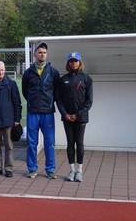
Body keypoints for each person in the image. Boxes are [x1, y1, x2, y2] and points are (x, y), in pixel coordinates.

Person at [22, 42, 60, 179]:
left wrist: (49, 102)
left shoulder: (53, 72)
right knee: (32, 142)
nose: (42, 54)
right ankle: (32, 169)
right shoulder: (28, 73)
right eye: (39, 52)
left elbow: (57, 91)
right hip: (33, 112)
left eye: (44, 52)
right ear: (34, 54)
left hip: (48, 112)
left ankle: (50, 170)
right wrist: (33, 101)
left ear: (47, 54)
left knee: (49, 142)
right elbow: (25, 91)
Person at [57, 52, 93, 182]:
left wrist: (77, 114)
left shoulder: (86, 79)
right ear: (68, 63)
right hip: (67, 118)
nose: (73, 63)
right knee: (70, 143)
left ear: (80, 62)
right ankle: (71, 170)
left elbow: (89, 101)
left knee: (80, 143)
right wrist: (65, 114)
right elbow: (59, 100)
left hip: (81, 118)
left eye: (76, 61)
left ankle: (79, 171)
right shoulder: (63, 79)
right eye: (71, 61)